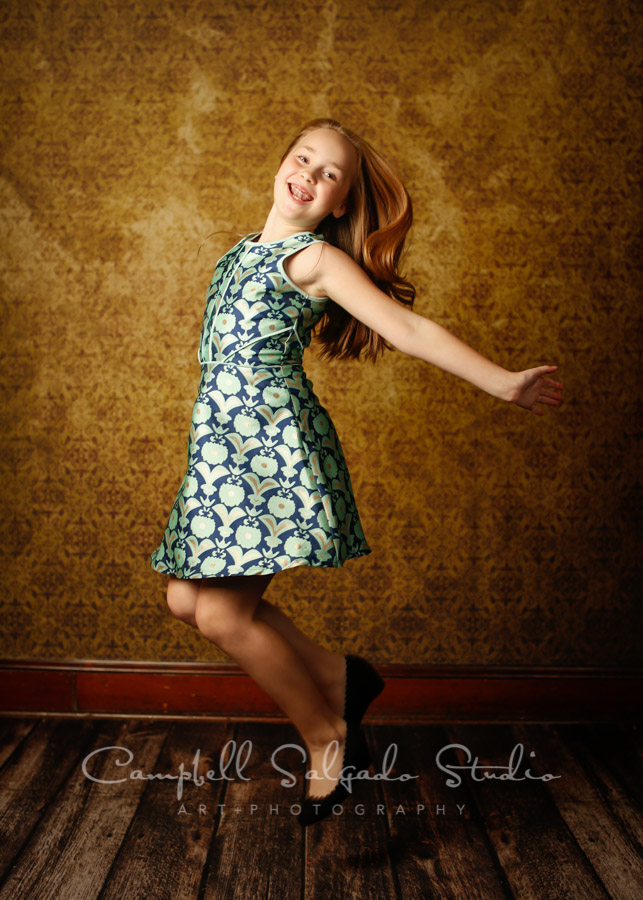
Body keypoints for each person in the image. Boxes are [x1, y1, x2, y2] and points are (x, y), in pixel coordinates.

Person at [150, 118, 563, 826]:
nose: (308, 174)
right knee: (186, 602)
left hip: (268, 452)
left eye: (329, 174)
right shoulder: (239, 253)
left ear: (339, 204)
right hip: (222, 454)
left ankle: (327, 736)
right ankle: (345, 678)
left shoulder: (311, 260)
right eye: (302, 158)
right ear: (280, 164)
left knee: (219, 610)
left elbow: (406, 329)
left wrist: (502, 384)